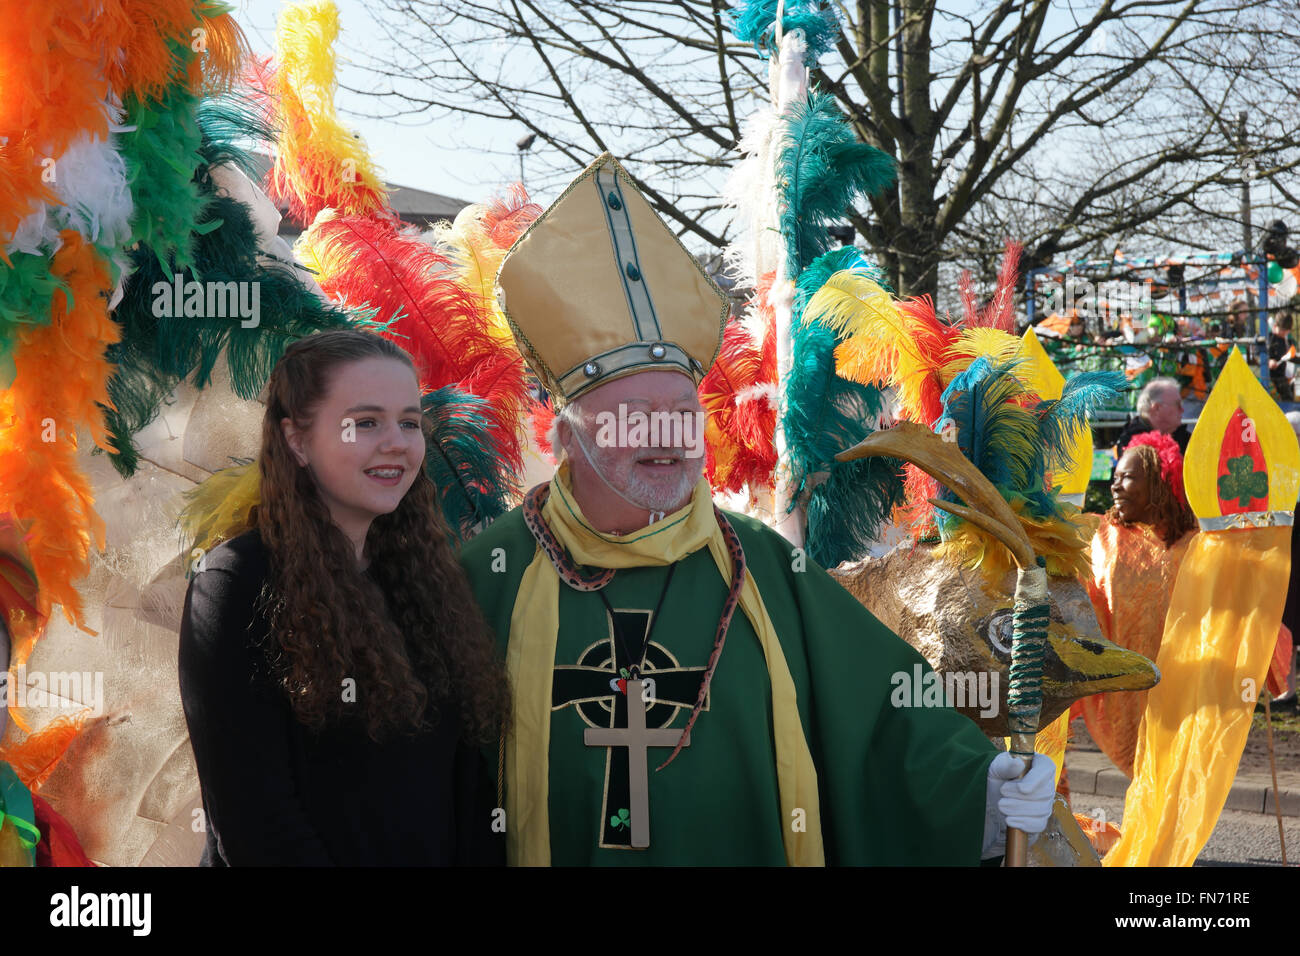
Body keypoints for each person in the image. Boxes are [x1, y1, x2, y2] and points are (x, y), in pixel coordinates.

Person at [458, 152, 1056, 866]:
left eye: (681, 413)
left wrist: (980, 788)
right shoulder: (481, 577)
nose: (668, 439)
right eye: (635, 417)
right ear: (567, 431)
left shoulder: (760, 564)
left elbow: (878, 715)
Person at [178, 329, 509, 865]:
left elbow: (468, 794)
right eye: (366, 422)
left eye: (409, 422)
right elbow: (257, 826)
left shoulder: (430, 582)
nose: (398, 442)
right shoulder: (233, 583)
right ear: (296, 440)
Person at [1076, 432, 1196, 777]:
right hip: (1124, 689)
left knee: (1173, 782)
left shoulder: (1194, 544)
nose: (1116, 486)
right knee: (1144, 779)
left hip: (1180, 688)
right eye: (1115, 477)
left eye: (1127, 477)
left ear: (1159, 481)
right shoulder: (1101, 537)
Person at [1114, 377, 1191, 455]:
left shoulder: (1185, 439)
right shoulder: (1132, 443)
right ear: (1156, 408)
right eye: (1177, 404)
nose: (1182, 409)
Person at [1267, 311, 1294, 401]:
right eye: (1282, 330)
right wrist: (1269, 361)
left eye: (1286, 331)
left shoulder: (1287, 341)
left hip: (1283, 375)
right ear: (1275, 326)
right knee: (1286, 395)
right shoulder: (1270, 338)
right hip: (1272, 377)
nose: (1284, 333)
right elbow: (1258, 355)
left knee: (1291, 392)